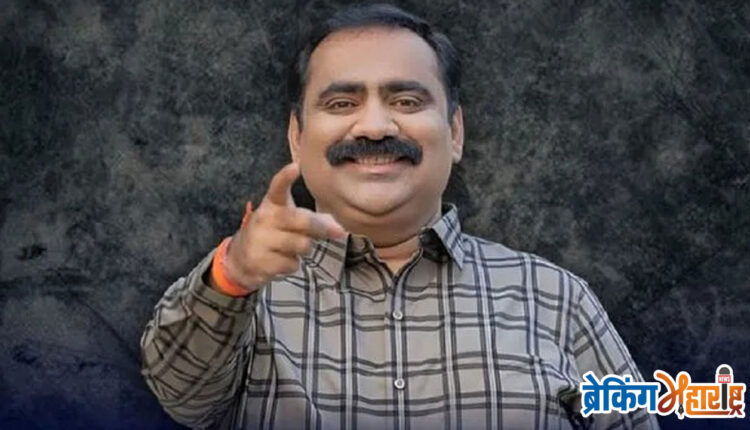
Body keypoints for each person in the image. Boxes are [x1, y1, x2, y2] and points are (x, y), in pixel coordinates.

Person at [140, 4, 659, 429]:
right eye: (341, 103)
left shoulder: (558, 299)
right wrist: (233, 277)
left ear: (455, 133)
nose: (374, 126)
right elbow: (181, 397)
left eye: (407, 100)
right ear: (296, 138)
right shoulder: (242, 297)